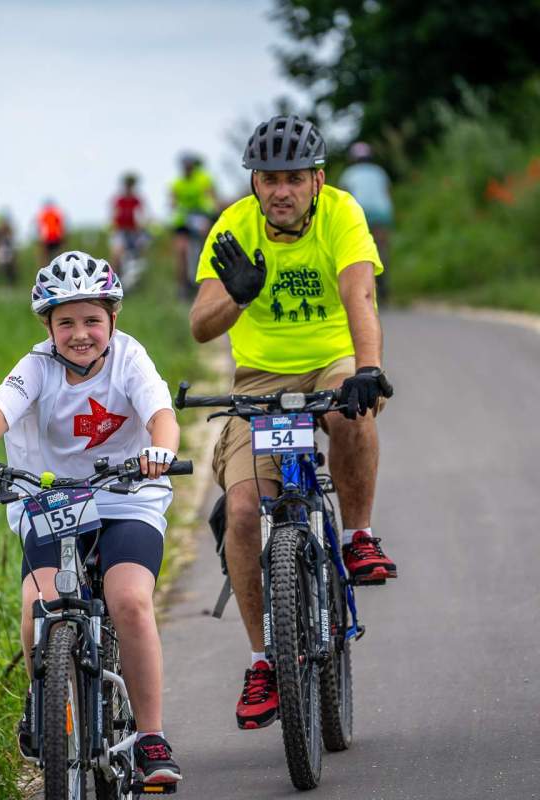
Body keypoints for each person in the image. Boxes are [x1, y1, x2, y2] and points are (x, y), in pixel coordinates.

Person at [189, 114, 396, 731]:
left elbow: (359, 295)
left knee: (353, 411)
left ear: (317, 180)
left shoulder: (342, 214)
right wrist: (239, 294)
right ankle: (263, 662)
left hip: (332, 360)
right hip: (258, 379)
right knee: (247, 510)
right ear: (254, 184)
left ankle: (357, 536)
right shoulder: (232, 225)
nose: (280, 190)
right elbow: (201, 325)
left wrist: (368, 367)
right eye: (268, 179)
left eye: (294, 179)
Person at [0, 251, 183, 785]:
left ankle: (150, 736)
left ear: (113, 320)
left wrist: (161, 453)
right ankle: (44, 699)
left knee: (129, 599)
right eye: (66, 322)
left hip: (127, 496)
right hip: (51, 501)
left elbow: (160, 416)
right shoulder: (35, 366)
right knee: (39, 605)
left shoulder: (130, 358)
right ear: (48, 326)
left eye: (92, 321)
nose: (80, 334)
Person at [338, 141, 394, 303]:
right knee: (382, 250)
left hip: (359, 213)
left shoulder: (349, 174)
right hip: (382, 214)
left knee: (359, 251)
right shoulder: (379, 172)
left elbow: (343, 197)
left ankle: (363, 290)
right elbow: (387, 193)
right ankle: (384, 290)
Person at [170, 153, 218, 299]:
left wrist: (210, 211)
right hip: (183, 221)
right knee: (181, 250)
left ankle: (205, 278)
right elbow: (173, 201)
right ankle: (183, 286)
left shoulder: (203, 179)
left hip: (200, 216)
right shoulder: (177, 183)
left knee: (206, 243)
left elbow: (211, 197)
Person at [109, 172, 147, 271]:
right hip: (121, 231)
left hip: (134, 233)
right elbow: (114, 216)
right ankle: (115, 276)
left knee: (140, 252)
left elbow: (142, 217)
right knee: (116, 254)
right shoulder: (119, 200)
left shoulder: (137, 200)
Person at [36, 199, 66, 263]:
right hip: (56, 238)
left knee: (45, 258)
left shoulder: (44, 214)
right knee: (59, 256)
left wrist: (40, 239)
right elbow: (61, 226)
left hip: (47, 239)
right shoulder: (56, 213)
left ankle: (46, 269)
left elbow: (40, 228)